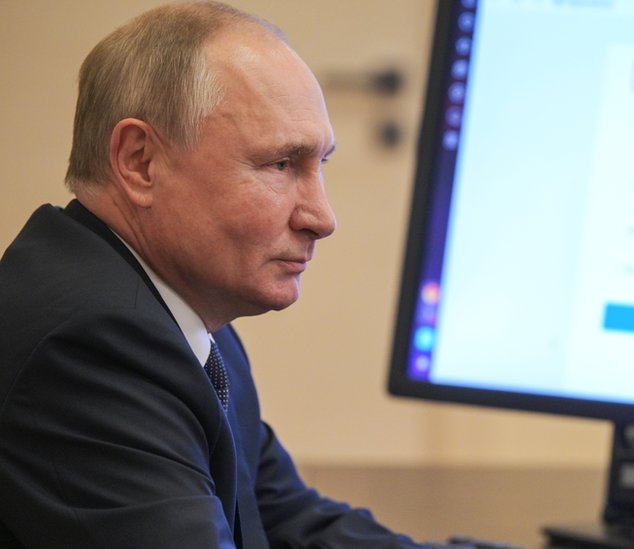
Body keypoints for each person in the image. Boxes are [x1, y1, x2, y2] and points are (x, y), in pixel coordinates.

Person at [0, 2, 426, 548]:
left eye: (320, 165)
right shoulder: (91, 345)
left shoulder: (184, 318)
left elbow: (284, 520)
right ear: (139, 161)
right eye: (280, 164)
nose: (322, 218)